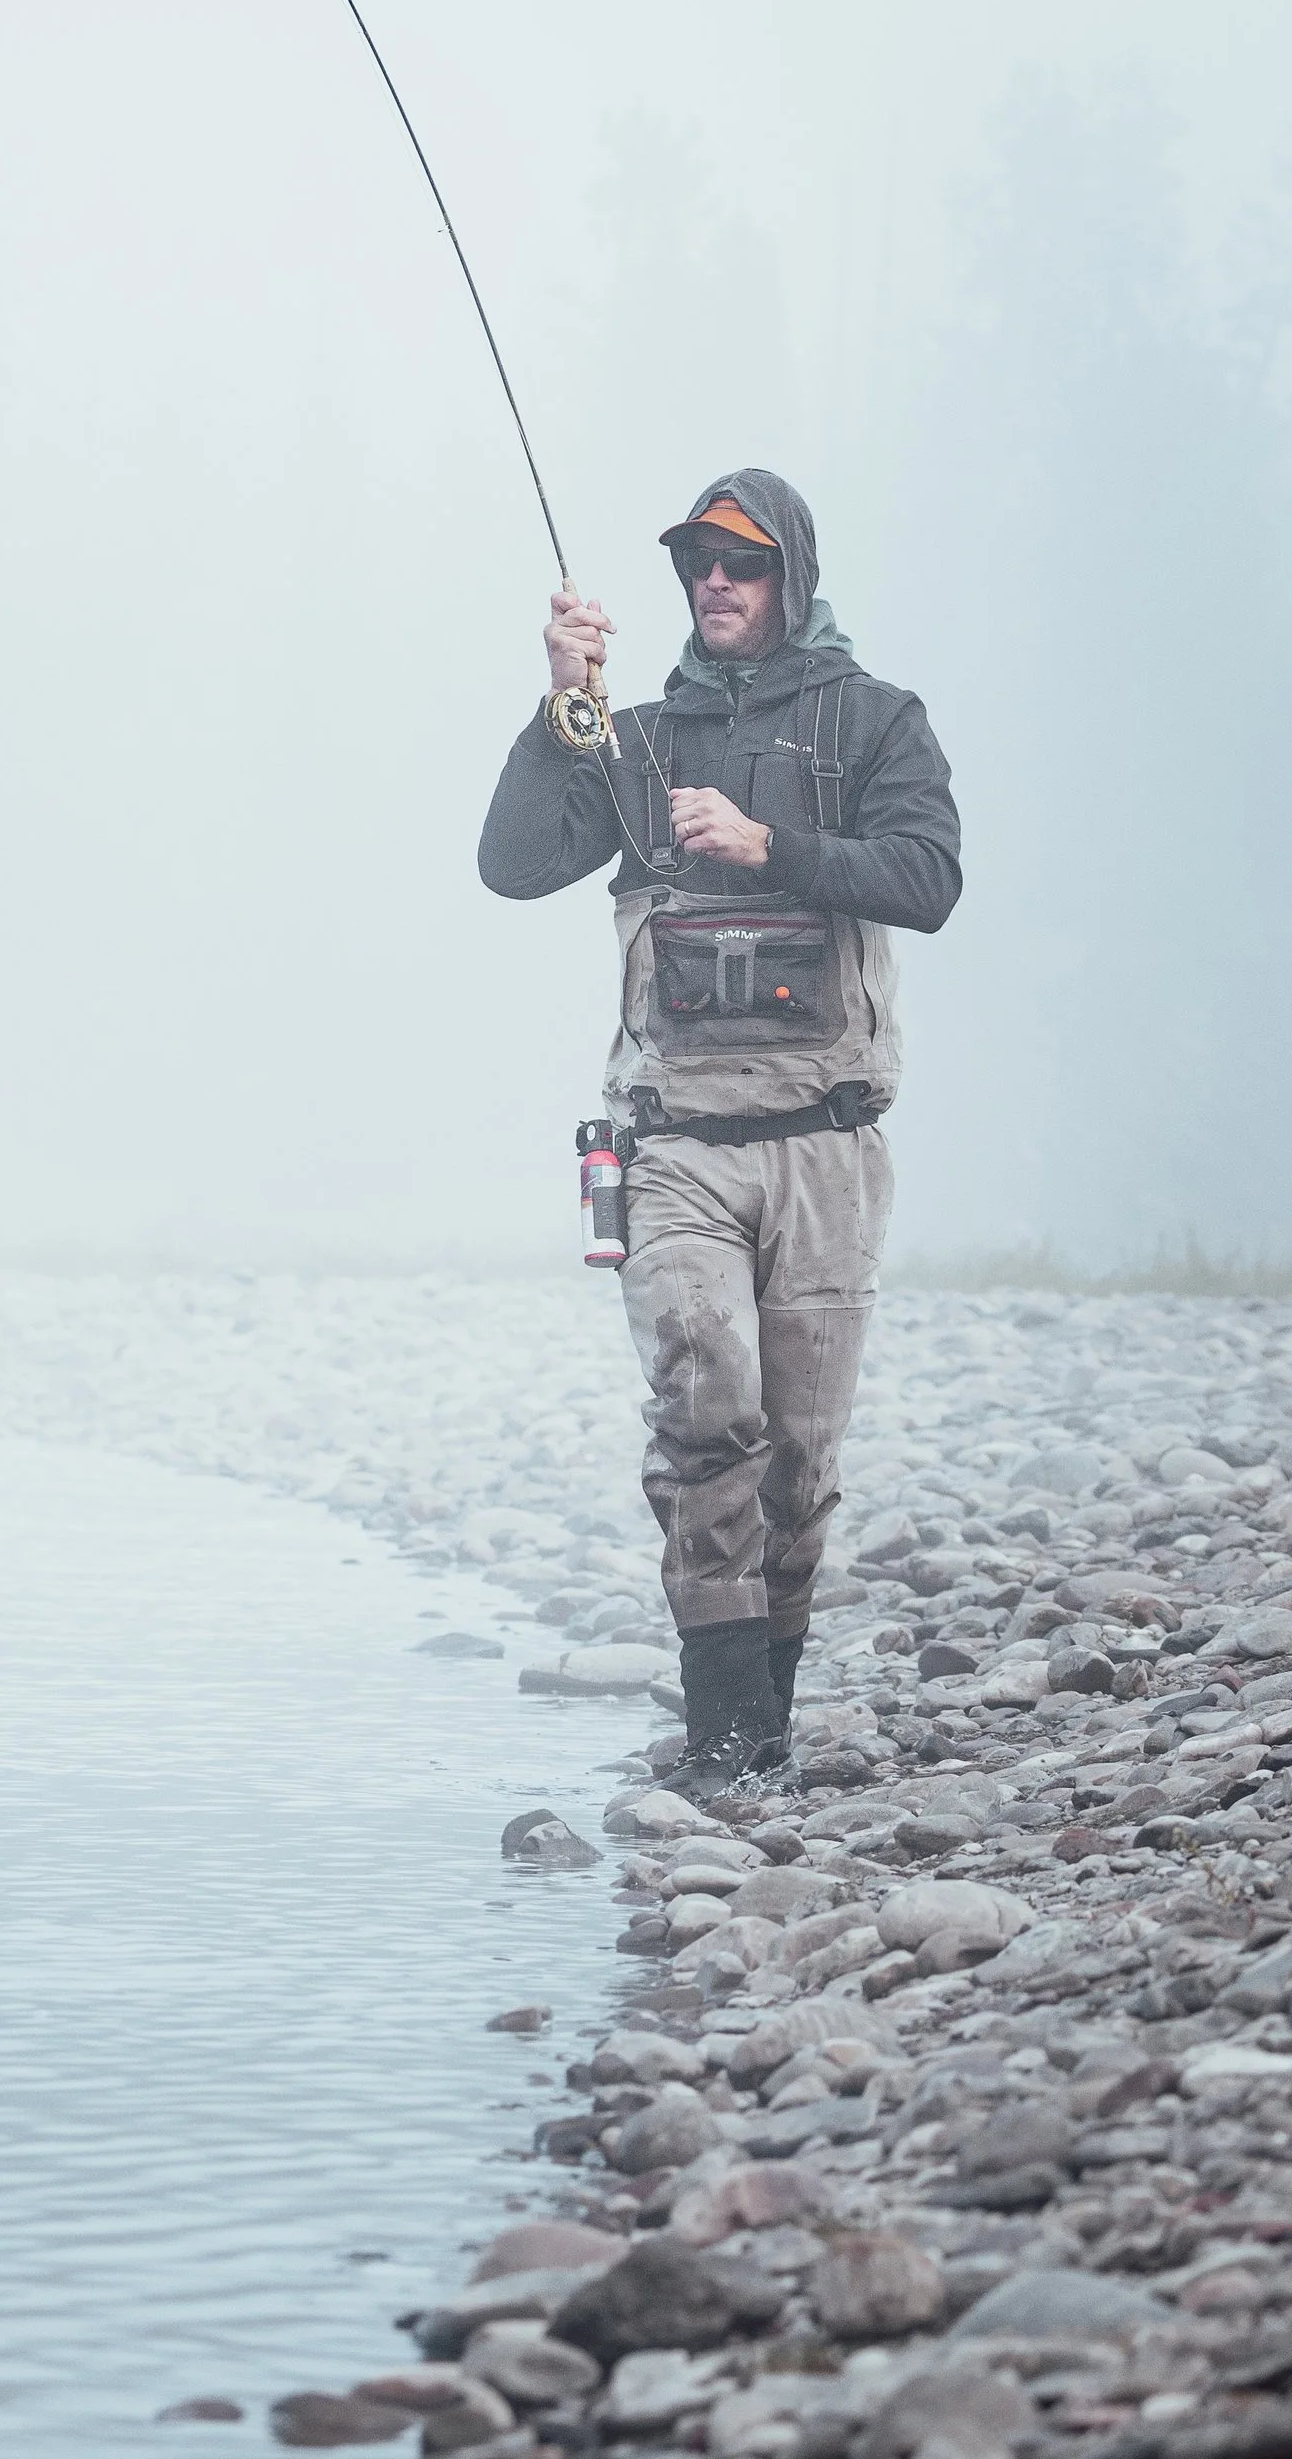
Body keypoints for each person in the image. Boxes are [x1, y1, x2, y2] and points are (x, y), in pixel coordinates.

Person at [477, 470, 962, 1798]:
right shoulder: (633, 742)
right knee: (705, 1405)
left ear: (790, 576)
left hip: (828, 1143)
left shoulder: (876, 724)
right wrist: (558, 701)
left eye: (741, 564)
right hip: (676, 1142)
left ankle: (770, 1727)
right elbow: (513, 863)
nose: (715, 583)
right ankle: (723, 1736)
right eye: (697, 562)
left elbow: (929, 879)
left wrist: (769, 841)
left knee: (800, 1457)